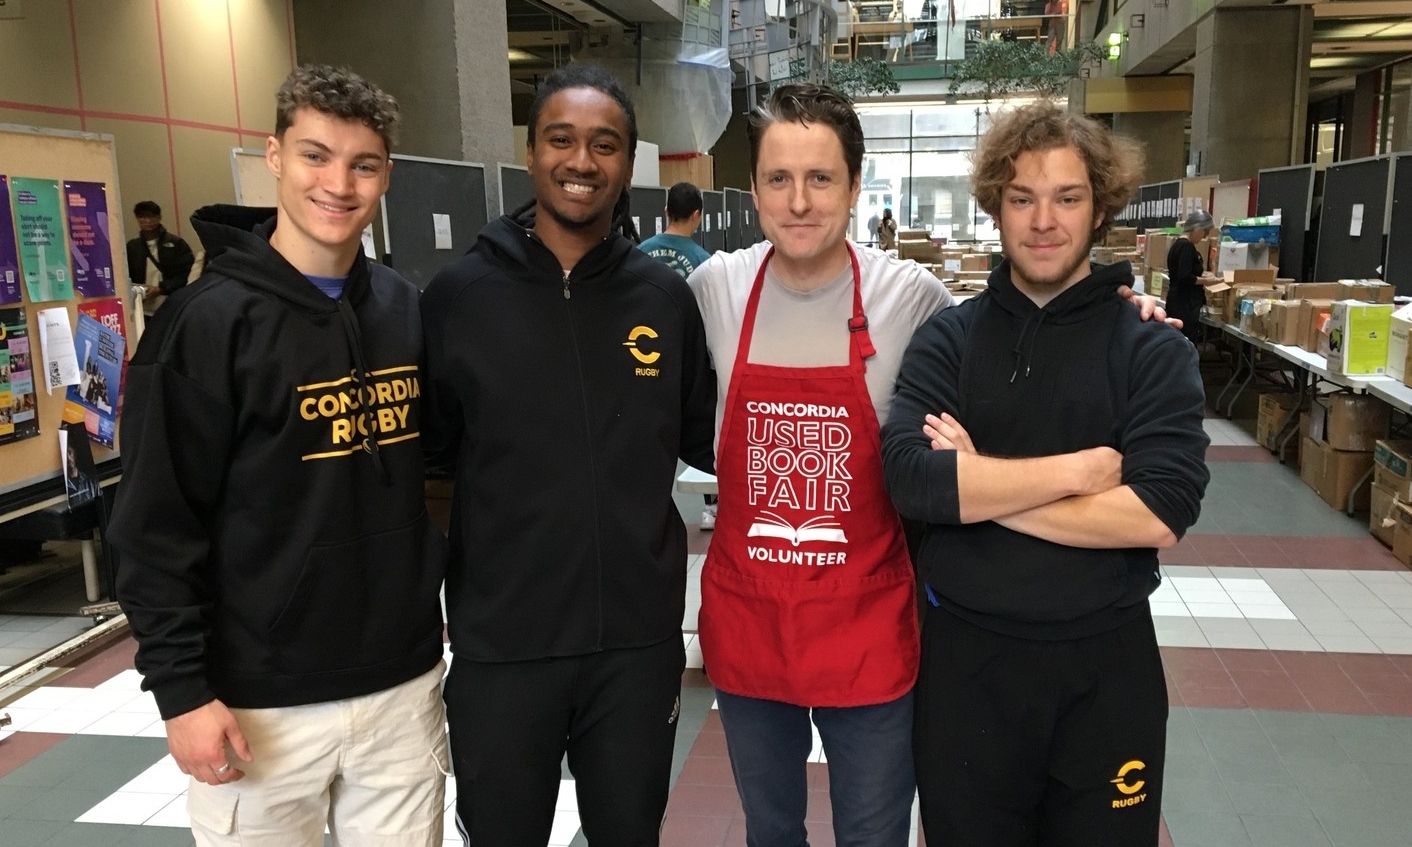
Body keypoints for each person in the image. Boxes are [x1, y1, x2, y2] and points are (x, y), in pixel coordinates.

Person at [687, 84, 1169, 847]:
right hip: (754, 615)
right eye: (779, 179)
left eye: (822, 179)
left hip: (866, 619)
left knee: (874, 833)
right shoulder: (715, 289)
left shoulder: (911, 295)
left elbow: (1017, 325)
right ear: (753, 190)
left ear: (853, 187)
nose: (800, 201)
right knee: (769, 831)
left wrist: (1123, 307)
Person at [109, 64, 449, 847]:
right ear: (274, 155)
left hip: (400, 685)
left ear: (387, 175)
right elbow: (155, 525)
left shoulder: (401, 308)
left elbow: (435, 468)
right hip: (257, 698)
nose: (339, 183)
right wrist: (181, 693)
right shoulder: (205, 324)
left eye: (363, 164)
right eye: (315, 156)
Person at [881, 101, 1210, 847]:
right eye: (1022, 198)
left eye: (1067, 197)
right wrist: (1079, 473)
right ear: (996, 203)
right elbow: (911, 477)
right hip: (967, 669)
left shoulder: (1149, 348)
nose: (1043, 220)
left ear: (1100, 208)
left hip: (1106, 671)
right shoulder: (950, 338)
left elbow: (1159, 510)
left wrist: (979, 486)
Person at [420, 63, 716, 847]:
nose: (582, 161)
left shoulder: (663, 299)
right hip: (502, 644)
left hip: (635, 646)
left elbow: (704, 436)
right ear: (531, 151)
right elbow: (432, 462)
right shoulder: (458, 299)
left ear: (627, 163)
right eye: (562, 139)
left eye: (605, 144)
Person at [637, 180, 719, 530]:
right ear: (697, 215)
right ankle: (711, 505)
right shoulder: (707, 265)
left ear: (665, 210)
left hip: (643, 358)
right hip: (687, 363)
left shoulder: (639, 254)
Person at [126, 200, 199, 316]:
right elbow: (126, 275)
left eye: (152, 216)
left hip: (170, 303)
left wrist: (162, 289)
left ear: (159, 217)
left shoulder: (176, 243)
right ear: (137, 219)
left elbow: (188, 273)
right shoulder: (132, 246)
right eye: (143, 217)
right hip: (141, 306)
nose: (148, 221)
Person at [1166, 208, 1215, 344]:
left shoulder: (1177, 244)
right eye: (1205, 232)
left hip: (1177, 300)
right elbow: (1185, 277)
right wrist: (1206, 281)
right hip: (1184, 304)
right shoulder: (1187, 247)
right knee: (1186, 341)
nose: (1204, 237)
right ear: (1198, 228)